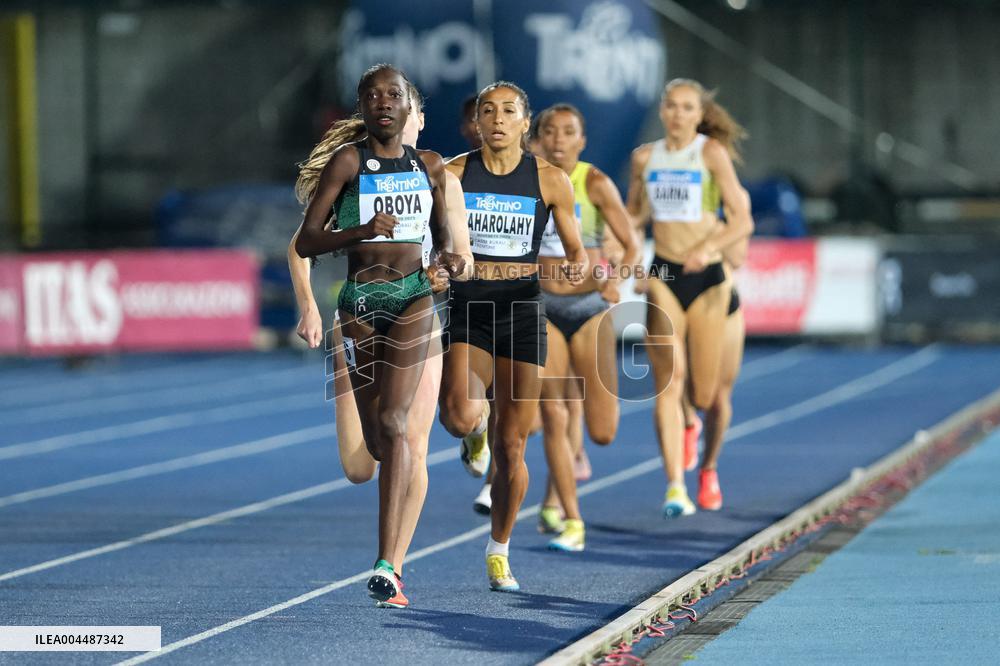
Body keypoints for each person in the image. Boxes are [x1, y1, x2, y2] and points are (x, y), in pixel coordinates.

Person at [289, 80, 473, 608]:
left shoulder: (435, 170)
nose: (390, 110)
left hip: (416, 305)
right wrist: (312, 302)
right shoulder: (350, 166)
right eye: (377, 99)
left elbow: (455, 251)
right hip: (360, 309)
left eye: (399, 102)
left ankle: (390, 565)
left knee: (406, 434)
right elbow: (302, 244)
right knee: (368, 456)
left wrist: (448, 267)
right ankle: (391, 556)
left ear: (415, 114)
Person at [439, 81, 587, 591]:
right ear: (476, 123)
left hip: (522, 312)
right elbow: (432, 239)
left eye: (508, 111)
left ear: (526, 124)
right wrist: (438, 264)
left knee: (513, 446)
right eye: (487, 111)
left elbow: (575, 252)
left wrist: (576, 267)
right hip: (470, 309)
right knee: (459, 415)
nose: (497, 119)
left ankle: (499, 550)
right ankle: (473, 431)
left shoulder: (550, 180)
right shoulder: (454, 175)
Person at [626, 78, 752, 518]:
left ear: (699, 115)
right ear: (662, 111)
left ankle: (707, 463)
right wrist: (625, 252)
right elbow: (634, 216)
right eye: (671, 106)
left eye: (687, 108)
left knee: (707, 394)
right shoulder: (645, 158)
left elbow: (742, 222)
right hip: (664, 273)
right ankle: (675, 486)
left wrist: (711, 246)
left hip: (710, 278)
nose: (677, 114)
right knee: (669, 381)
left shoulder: (711, 155)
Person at [532, 103, 640, 551]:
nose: (558, 139)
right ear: (538, 139)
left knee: (602, 431)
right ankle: (570, 517)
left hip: (590, 308)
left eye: (567, 132)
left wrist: (616, 280)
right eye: (550, 131)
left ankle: (575, 458)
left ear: (582, 140)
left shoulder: (594, 182)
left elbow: (631, 246)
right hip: (543, 306)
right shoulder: (529, 180)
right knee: (553, 413)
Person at [682, 190, 751, 510]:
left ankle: (708, 468)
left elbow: (737, 257)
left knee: (719, 400)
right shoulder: (679, 182)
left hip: (722, 302)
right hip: (681, 294)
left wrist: (712, 232)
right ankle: (687, 422)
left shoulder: (735, 197)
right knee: (678, 378)